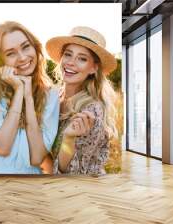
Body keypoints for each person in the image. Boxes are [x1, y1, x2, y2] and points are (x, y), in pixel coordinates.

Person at [0, 21, 59, 174]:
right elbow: (3, 147)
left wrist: (28, 98)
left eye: (26, 46)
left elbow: (36, 158)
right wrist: (19, 91)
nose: (22, 57)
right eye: (10, 53)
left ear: (35, 47)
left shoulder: (51, 95)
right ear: (0, 60)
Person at [46, 26, 118, 175]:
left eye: (82, 59)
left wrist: (68, 139)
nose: (71, 63)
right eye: (68, 54)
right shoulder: (54, 97)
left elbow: (73, 172)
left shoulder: (91, 112)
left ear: (93, 68)